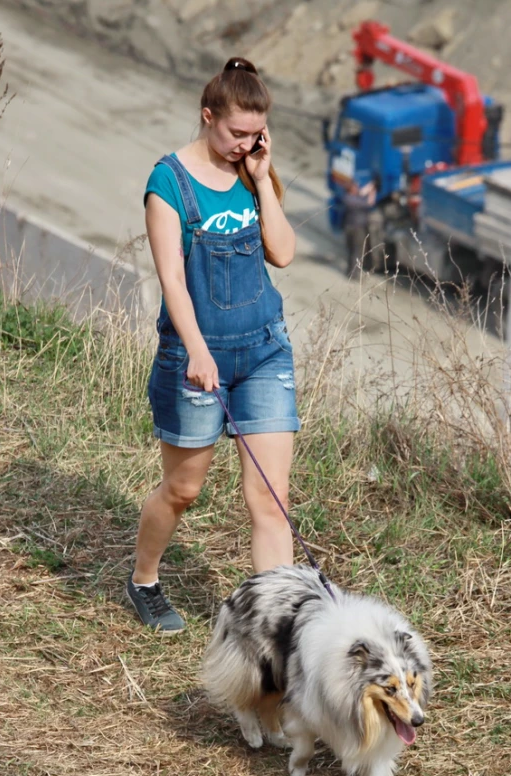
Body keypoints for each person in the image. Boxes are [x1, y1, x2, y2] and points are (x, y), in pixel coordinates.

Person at [126, 57, 299, 635]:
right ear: (207, 117)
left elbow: (283, 253)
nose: (244, 144)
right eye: (236, 133)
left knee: (271, 502)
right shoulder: (168, 183)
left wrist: (263, 176)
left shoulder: (251, 172)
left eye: (256, 134)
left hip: (265, 352)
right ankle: (144, 581)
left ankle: (276, 632)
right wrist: (198, 352)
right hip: (195, 356)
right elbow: (172, 280)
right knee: (183, 490)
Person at [343, 179, 377, 277]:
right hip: (358, 229)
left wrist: (369, 187)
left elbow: (361, 194)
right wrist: (372, 192)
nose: (357, 188)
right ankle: (355, 274)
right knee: (357, 251)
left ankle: (349, 271)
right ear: (351, 189)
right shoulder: (354, 201)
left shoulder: (347, 198)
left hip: (349, 227)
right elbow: (370, 203)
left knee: (351, 250)